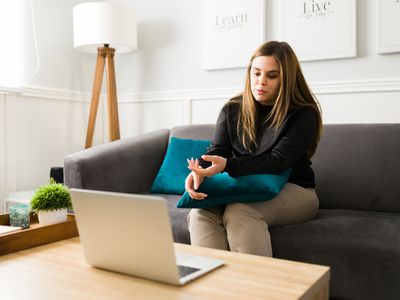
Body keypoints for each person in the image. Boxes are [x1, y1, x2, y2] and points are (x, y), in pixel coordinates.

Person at [184, 41, 323, 257]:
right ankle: (212, 287)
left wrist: (228, 165)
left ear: (286, 79)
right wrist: (199, 172)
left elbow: (277, 161)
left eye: (272, 75)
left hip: (296, 189)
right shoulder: (232, 108)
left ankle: (254, 290)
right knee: (201, 212)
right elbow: (217, 150)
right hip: (245, 186)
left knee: (240, 212)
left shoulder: (304, 114)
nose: (261, 82)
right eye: (256, 73)